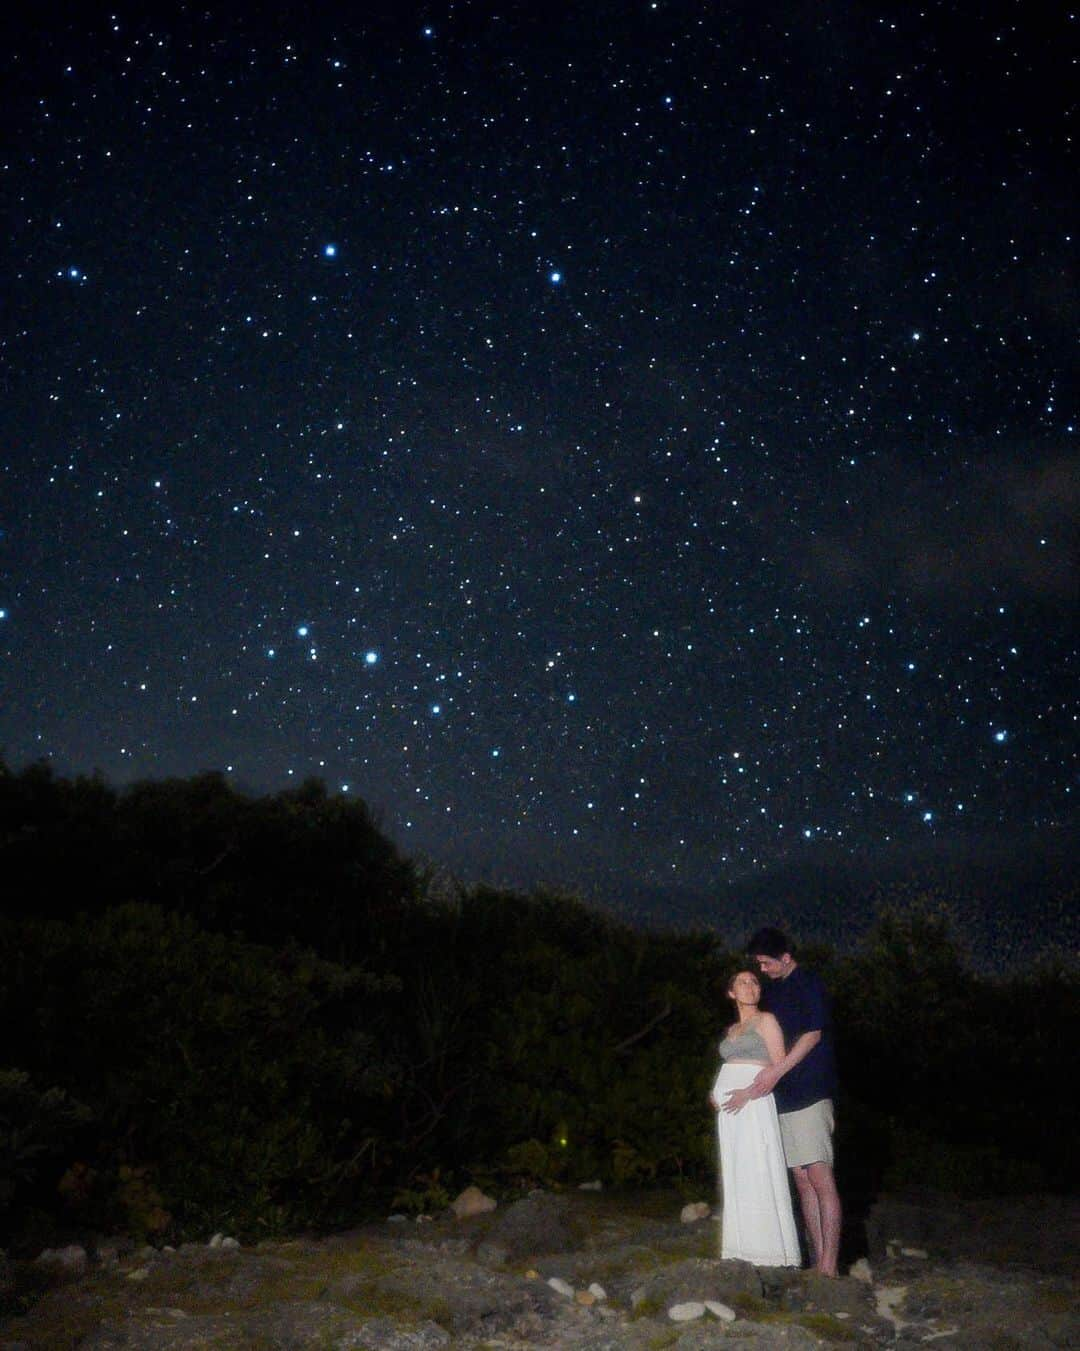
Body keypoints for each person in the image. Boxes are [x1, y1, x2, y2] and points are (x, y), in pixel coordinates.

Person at [722, 927, 841, 1276]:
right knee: (802, 1181)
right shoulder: (773, 992)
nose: (763, 970)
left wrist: (778, 1071)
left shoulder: (808, 982)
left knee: (820, 1178)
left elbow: (813, 1033)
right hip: (783, 1098)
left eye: (766, 963)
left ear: (785, 957)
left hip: (810, 1090)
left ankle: (830, 1267)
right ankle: (818, 1262)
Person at [709, 969, 800, 1266]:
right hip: (730, 1110)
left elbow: (779, 1065)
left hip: (753, 1101)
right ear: (731, 993)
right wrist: (716, 1092)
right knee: (736, 1171)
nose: (750, 986)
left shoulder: (766, 1020)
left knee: (757, 1167)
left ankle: (770, 1252)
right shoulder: (731, 1030)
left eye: (754, 982)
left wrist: (748, 1093)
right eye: (742, 982)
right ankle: (740, 1249)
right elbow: (731, 1064)